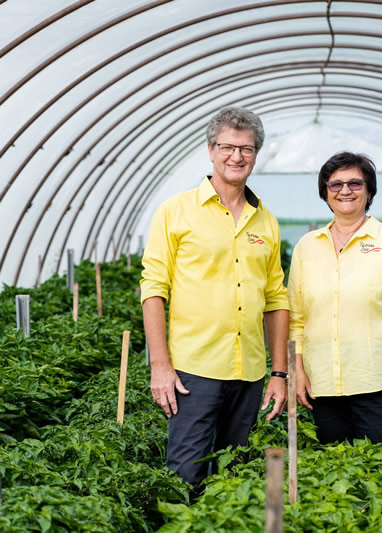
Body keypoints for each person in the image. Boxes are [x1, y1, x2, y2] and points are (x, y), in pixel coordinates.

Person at [140, 107, 289, 491]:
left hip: (251, 372)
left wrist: (279, 372)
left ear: (256, 155)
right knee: (185, 475)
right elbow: (154, 288)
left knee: (234, 478)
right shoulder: (175, 212)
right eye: (227, 147)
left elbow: (275, 298)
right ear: (210, 150)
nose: (236, 156)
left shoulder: (266, 221)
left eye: (246, 149)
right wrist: (160, 365)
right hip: (194, 370)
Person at [287, 151, 382, 444]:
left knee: (381, 470)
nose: (345, 191)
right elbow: (296, 317)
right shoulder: (307, 247)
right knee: (333, 473)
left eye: (355, 183)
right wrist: (297, 371)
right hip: (322, 385)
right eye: (335, 184)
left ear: (369, 191)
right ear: (325, 192)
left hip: (379, 382)